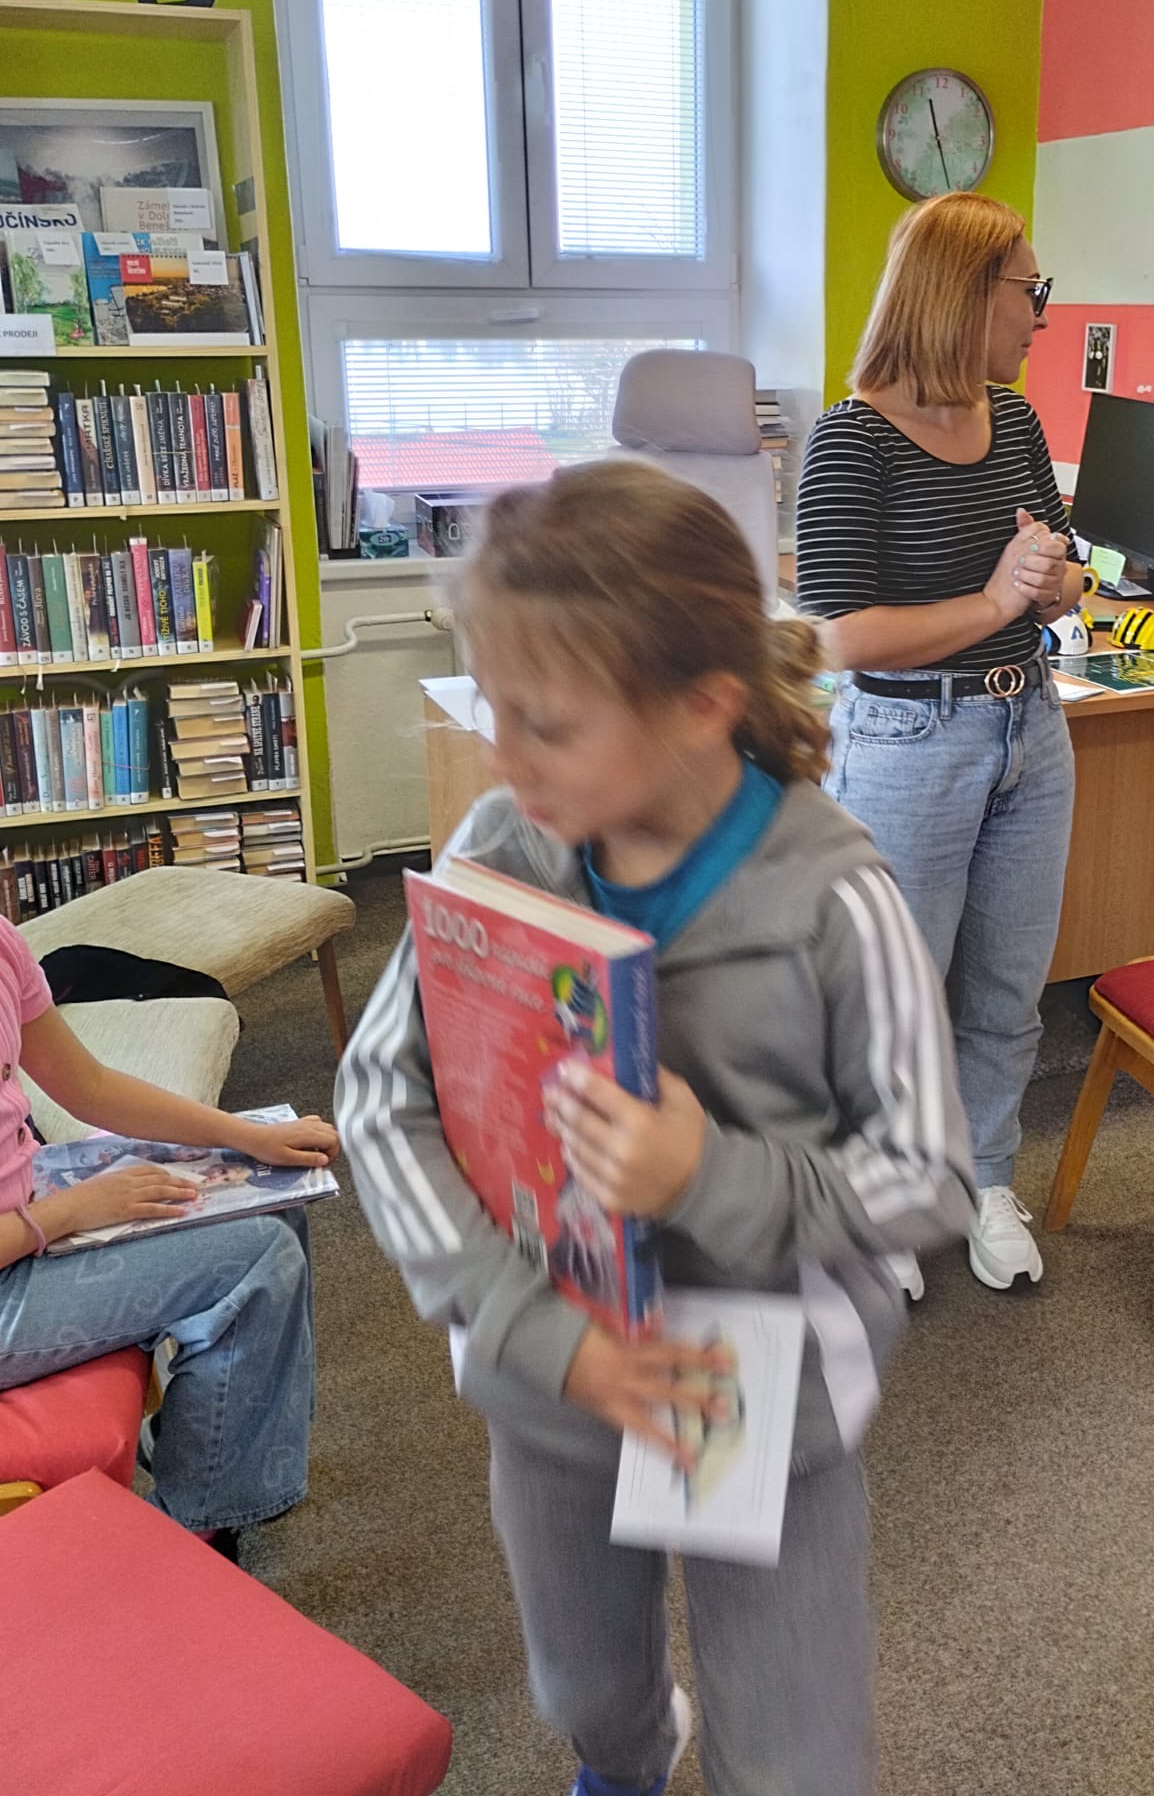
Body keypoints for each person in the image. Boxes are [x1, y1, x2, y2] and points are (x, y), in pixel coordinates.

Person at [337, 459, 974, 1796]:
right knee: (586, 1693)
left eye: (547, 725)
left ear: (703, 703)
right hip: (553, 1366)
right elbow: (378, 1101)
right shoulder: (503, 850)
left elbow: (928, 1178)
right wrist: (537, 1334)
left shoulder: (833, 899)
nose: (503, 758)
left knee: (794, 1758)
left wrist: (706, 1175)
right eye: (493, 710)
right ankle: (629, 1762)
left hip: (748, 1375)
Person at [796, 190, 1082, 1300]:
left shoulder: (1016, 421)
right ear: (964, 295)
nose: (1042, 314)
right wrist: (999, 598)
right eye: (1030, 289)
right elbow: (836, 635)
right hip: (908, 737)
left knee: (1007, 991)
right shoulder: (851, 440)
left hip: (1029, 727)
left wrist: (1055, 582)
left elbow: (1060, 568)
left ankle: (986, 1179)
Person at [0, 914, 337, 1547]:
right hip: (20, 1255)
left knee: (270, 1202)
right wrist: (71, 1212)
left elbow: (90, 1086)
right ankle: (193, 1526)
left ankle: (212, 1449)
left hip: (31, 1213)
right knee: (259, 1257)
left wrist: (245, 1137)